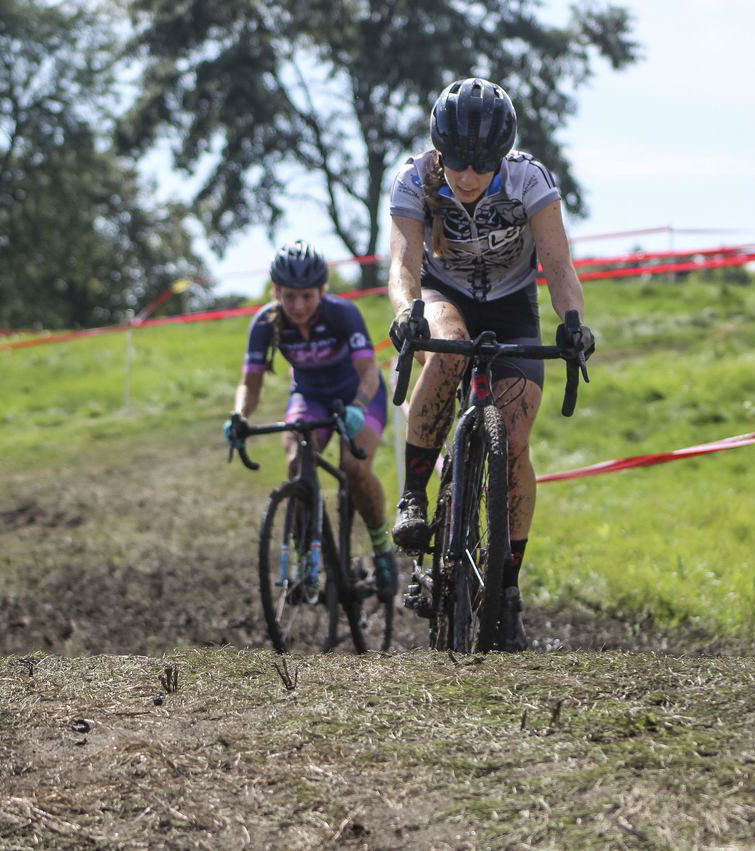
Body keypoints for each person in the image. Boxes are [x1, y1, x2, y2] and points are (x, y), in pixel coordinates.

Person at [385, 77, 596, 652]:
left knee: (518, 438)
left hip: (511, 304)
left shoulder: (531, 179)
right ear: (438, 148)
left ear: (502, 156)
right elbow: (403, 264)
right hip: (443, 291)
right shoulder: (414, 178)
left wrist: (573, 324)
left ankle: (505, 586)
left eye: (482, 163)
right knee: (446, 345)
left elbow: (557, 262)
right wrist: (408, 313)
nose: (468, 174)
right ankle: (413, 495)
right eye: (456, 159)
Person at [224, 240, 400, 602]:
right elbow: (250, 385)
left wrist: (357, 406)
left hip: (358, 395)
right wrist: (239, 415)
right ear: (276, 292)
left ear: (321, 291)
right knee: (295, 462)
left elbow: (368, 371)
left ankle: (382, 546)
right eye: (289, 297)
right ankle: (307, 553)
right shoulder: (265, 323)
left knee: (354, 467)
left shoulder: (342, 315)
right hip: (309, 397)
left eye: (306, 296)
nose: (298, 306)